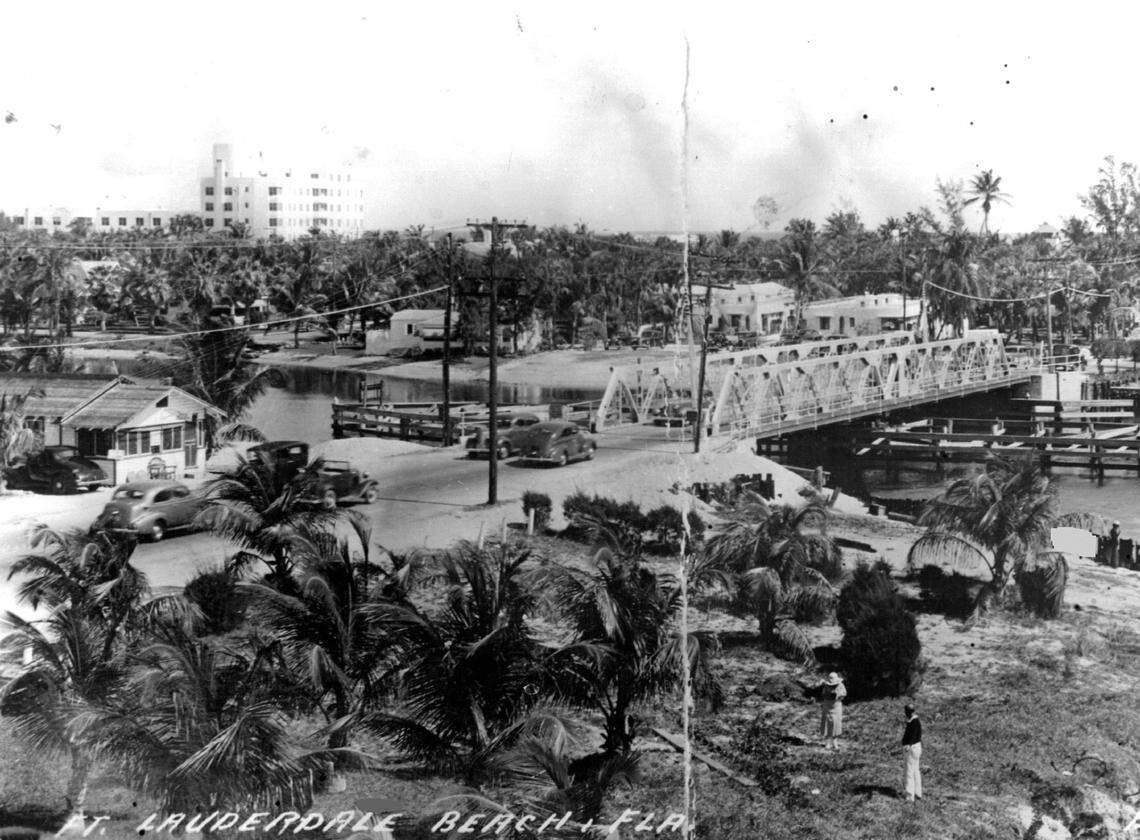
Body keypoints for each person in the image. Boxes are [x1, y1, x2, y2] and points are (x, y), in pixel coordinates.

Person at [819, 672, 846, 750]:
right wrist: (828, 694)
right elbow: (823, 694)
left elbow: (844, 694)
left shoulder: (840, 685)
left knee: (836, 724)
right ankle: (827, 743)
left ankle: (835, 743)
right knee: (827, 723)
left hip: (836, 706)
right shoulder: (826, 686)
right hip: (827, 706)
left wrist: (837, 695)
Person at [902, 704, 922, 802]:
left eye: (906, 712)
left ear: (908, 712)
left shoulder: (913, 721)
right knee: (915, 770)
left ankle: (909, 796)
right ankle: (918, 793)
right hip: (916, 747)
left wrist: (908, 745)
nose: (905, 714)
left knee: (909, 772)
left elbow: (913, 735)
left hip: (911, 748)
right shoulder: (915, 720)